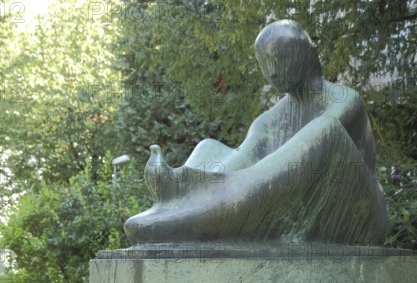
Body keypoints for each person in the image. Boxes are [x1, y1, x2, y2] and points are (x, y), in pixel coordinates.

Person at [124, 20, 388, 245]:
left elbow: (289, 165)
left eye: (279, 59)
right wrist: (185, 181)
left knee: (325, 130)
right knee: (209, 147)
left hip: (359, 217)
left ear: (307, 54)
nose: (271, 73)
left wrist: (229, 197)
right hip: (295, 212)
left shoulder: (342, 100)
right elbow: (242, 161)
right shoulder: (269, 121)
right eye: (265, 64)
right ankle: (182, 199)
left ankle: (203, 213)